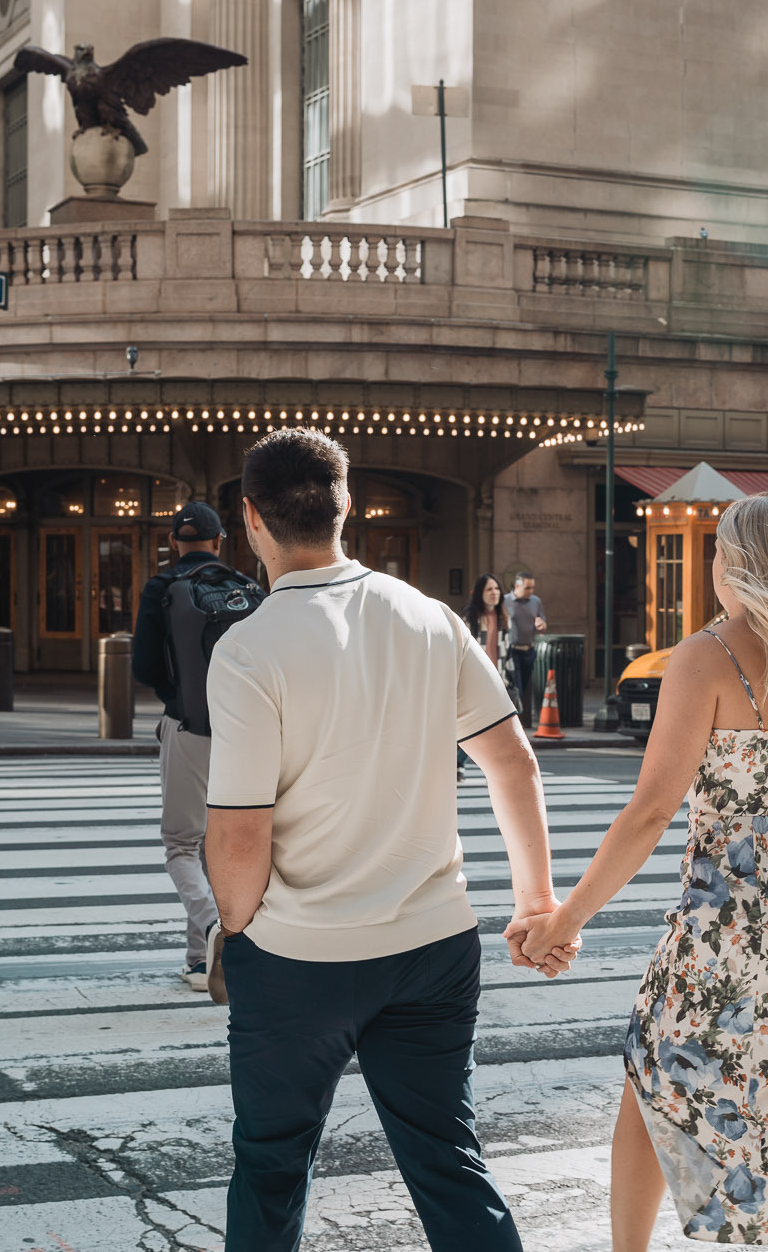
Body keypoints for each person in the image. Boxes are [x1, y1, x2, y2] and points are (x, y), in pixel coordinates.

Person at [511, 494, 768, 1252]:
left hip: (728, 920)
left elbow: (649, 812)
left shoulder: (708, 655)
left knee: (654, 1084)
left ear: (731, 562)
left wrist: (564, 920)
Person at [204, 429, 569, 1251]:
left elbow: (237, 829)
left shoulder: (250, 649)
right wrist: (537, 902)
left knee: (270, 1164)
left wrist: (239, 929)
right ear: (347, 508)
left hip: (298, 954)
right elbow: (513, 763)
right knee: (448, 1160)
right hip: (431, 941)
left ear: (252, 519)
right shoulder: (429, 617)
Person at [131, 501, 235, 992]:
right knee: (216, 845)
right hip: (245, 734)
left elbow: (145, 667)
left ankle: (214, 924)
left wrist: (175, 699)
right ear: (218, 541)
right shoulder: (245, 588)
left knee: (181, 844)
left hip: (189, 726)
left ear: (174, 542)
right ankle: (199, 961)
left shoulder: (161, 588)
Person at [458, 575, 509, 781]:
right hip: (476, 679)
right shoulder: (469, 618)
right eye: (489, 589)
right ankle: (458, 762)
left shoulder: (505, 618)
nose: (494, 593)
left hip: (500, 679)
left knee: (493, 725)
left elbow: (509, 652)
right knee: (476, 725)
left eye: (497, 589)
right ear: (480, 593)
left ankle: (461, 762)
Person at [503, 571, 547, 724]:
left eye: (532, 588)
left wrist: (541, 626)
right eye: (528, 588)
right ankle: (513, 723)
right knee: (518, 689)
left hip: (529, 651)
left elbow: (542, 622)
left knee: (524, 689)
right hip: (512, 651)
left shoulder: (536, 601)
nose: (531, 591)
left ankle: (519, 723)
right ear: (517, 586)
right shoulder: (505, 601)